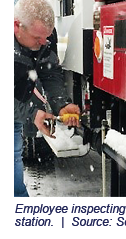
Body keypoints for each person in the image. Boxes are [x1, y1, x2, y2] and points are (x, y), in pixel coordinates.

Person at [14, 0, 80, 197]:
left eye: (46, 37)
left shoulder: (44, 36)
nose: (43, 42)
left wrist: (61, 104)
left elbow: (49, 71)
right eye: (37, 37)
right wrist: (32, 114)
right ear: (16, 25)